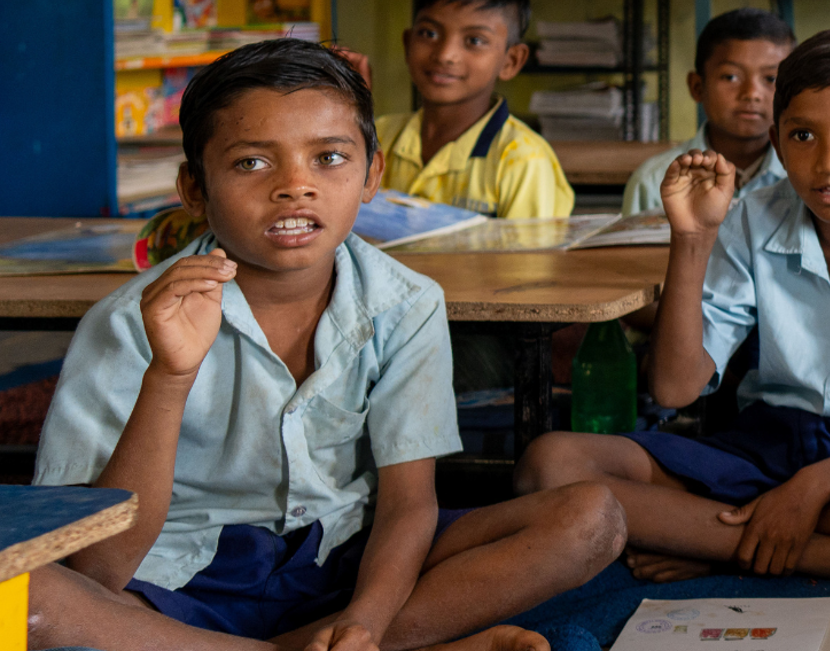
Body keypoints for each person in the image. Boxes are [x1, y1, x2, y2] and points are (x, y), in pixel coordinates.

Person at [28, 39, 624, 651]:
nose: (295, 186)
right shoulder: (128, 322)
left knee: (590, 520)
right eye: (251, 163)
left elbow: (408, 506)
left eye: (329, 157)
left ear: (372, 175)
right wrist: (169, 378)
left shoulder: (405, 302)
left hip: (346, 555)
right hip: (180, 576)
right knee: (29, 600)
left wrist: (364, 619)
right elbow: (97, 568)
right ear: (195, 188)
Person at [514, 29, 830, 584]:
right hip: (761, 450)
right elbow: (675, 389)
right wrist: (692, 239)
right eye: (803, 135)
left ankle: (711, 535)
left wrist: (811, 488)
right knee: (550, 464)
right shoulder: (749, 220)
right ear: (778, 145)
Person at [373, 0, 573, 219]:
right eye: (429, 34)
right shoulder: (378, 137)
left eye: (474, 40)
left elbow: (530, 248)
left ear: (511, 61)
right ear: (407, 43)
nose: (446, 55)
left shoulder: (522, 160)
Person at [621, 9, 795, 216]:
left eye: (771, 79)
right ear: (697, 87)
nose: (751, 94)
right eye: (730, 77)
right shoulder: (653, 181)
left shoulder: (805, 177)